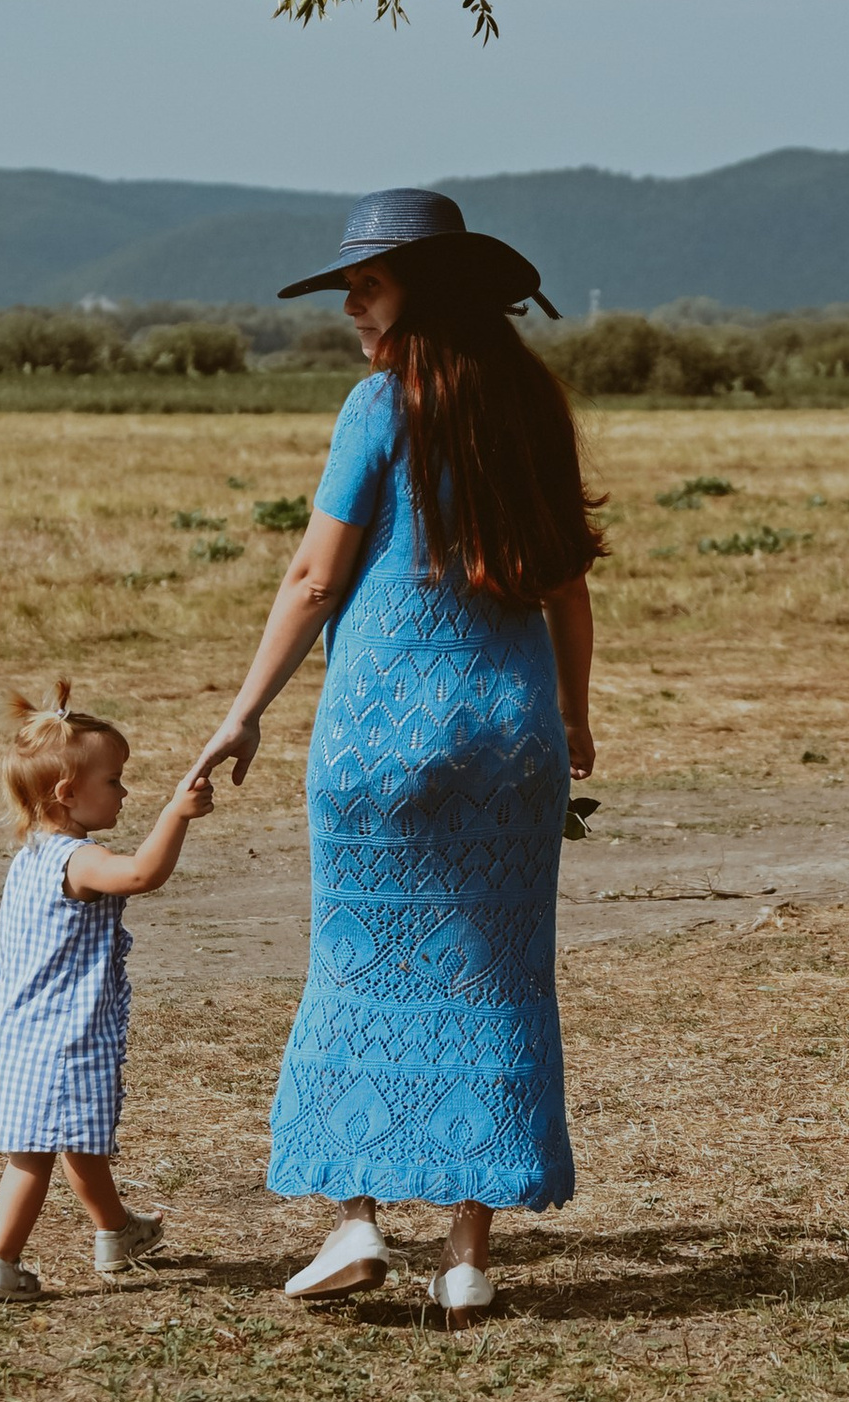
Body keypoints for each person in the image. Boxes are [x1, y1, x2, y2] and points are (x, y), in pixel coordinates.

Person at [183, 188, 601, 1319]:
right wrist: (570, 714)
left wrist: (243, 708)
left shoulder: (378, 408)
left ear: (429, 288)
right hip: (510, 743)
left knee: (359, 970)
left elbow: (315, 578)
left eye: (367, 285)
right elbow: (567, 587)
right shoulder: (533, 407)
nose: (354, 308)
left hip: (379, 736)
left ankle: (356, 1221)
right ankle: (466, 1257)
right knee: (497, 980)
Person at [0, 681, 212, 1303]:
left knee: (77, 1142)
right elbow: (143, 873)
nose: (125, 792)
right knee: (33, 1159)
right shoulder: (79, 860)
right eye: (116, 781)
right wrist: (175, 814)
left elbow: (0, 947)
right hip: (62, 1043)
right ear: (68, 794)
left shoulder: (28, 859)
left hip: (19, 1037)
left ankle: (115, 1232)